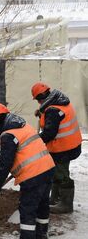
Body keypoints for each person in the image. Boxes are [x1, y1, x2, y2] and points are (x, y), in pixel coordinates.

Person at [0, 103, 55, 239]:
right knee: (43, 203)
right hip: (48, 167)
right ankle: (41, 232)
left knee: (27, 208)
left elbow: (5, 164)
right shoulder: (23, 126)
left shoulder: (9, 136)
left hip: (33, 174)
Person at [31, 82, 82, 214]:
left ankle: (65, 205)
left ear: (39, 98)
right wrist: (42, 113)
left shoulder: (53, 110)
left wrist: (36, 143)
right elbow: (56, 117)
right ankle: (55, 199)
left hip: (63, 148)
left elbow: (49, 133)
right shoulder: (60, 101)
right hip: (71, 144)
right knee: (57, 171)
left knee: (61, 174)